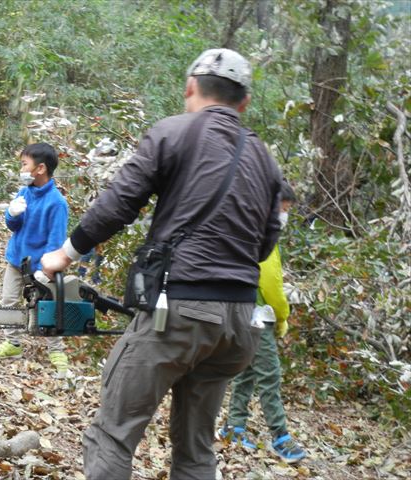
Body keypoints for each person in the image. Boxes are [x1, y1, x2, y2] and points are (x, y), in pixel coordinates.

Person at [41, 48, 283, 480]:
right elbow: (265, 246)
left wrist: (65, 254)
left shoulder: (174, 133)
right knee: (196, 452)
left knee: (112, 436)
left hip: (179, 313)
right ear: (244, 102)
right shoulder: (264, 158)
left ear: (190, 87)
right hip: (239, 326)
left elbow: (120, 203)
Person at [216, 180, 306, 463]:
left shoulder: (243, 225)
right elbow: (271, 283)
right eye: (285, 208)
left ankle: (234, 427)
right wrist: (282, 317)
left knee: (247, 372)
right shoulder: (264, 234)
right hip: (257, 314)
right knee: (270, 374)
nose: (285, 215)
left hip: (236, 310)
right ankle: (281, 437)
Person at [0, 142, 70, 376]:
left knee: (46, 309)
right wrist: (11, 213)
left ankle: (56, 350)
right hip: (16, 260)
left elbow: (55, 242)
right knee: (9, 301)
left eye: (25, 164)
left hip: (40, 267)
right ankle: (12, 343)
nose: (21, 169)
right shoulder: (25, 191)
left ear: (40, 168)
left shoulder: (56, 203)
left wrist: (45, 269)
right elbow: (13, 225)